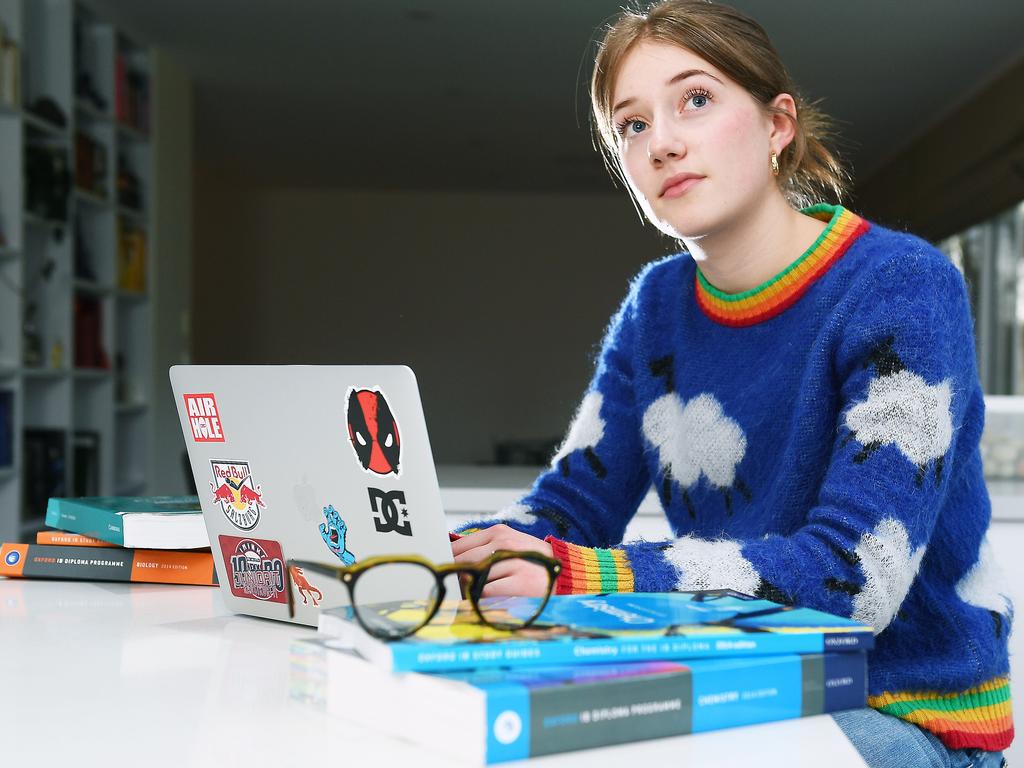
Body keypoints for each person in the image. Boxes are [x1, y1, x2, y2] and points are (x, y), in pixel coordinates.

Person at [449, 2, 1013, 766]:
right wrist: (462, 553)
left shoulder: (904, 287)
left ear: (778, 125)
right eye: (632, 126)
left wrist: (578, 574)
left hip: (902, 711)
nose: (664, 143)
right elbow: (572, 504)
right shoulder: (656, 309)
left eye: (696, 99)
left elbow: (854, 581)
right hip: (744, 687)